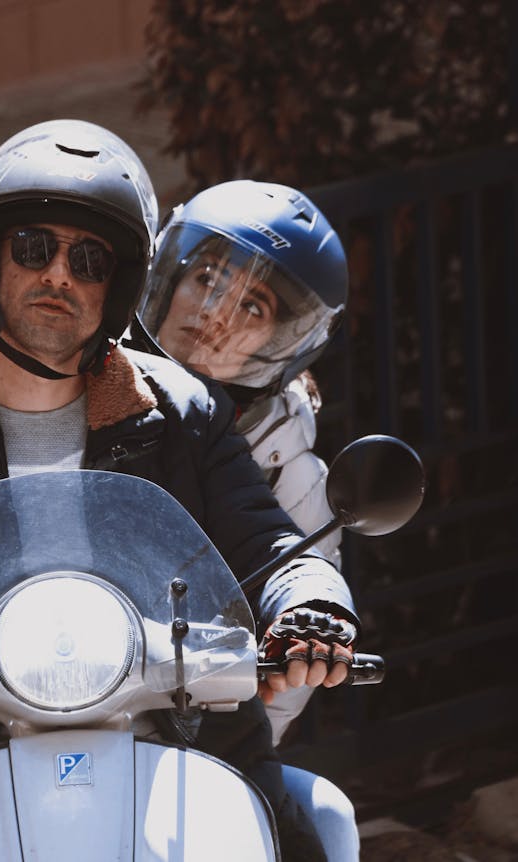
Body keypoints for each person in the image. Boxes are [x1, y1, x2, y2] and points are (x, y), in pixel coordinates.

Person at [0, 121, 358, 862]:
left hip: (180, 738)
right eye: (33, 248)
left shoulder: (183, 414)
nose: (59, 276)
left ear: (117, 286)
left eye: (88, 259)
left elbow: (272, 547)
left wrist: (311, 604)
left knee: (320, 831)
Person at [132, 180, 349, 745]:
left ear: (281, 343)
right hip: (34, 714)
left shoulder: (292, 476)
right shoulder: (70, 387)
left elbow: (280, 701)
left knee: (325, 820)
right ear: (169, 277)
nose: (214, 314)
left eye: (251, 306)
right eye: (206, 278)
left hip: (196, 746)